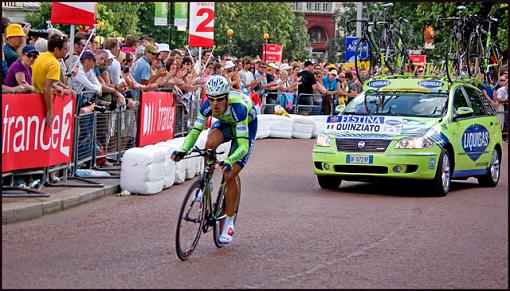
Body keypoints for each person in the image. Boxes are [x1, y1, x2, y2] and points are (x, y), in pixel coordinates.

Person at [171, 75, 258, 244]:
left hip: (245, 128)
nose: (215, 104)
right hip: (226, 125)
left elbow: (243, 146)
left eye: (219, 100)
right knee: (209, 142)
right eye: (211, 99)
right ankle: (207, 182)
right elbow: (195, 132)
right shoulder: (207, 107)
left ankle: (229, 223)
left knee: (230, 174)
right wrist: (183, 150)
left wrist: (230, 160)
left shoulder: (238, 108)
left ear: (226, 97)